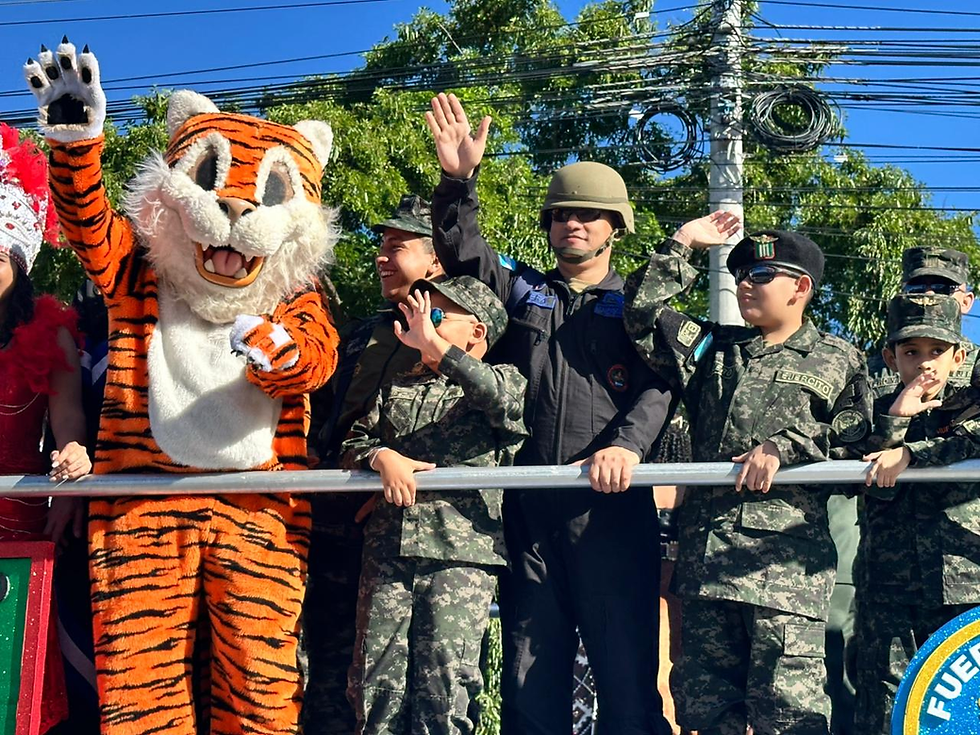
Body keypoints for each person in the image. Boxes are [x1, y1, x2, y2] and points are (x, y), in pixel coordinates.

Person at [426, 92, 738, 734]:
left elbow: (663, 384)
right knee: (529, 689)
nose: (576, 225)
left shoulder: (640, 305)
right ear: (548, 225)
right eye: (563, 215)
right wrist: (458, 183)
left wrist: (627, 445)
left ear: (614, 228)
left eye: (591, 216)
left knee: (627, 688)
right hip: (529, 505)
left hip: (612, 510)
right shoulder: (522, 292)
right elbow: (466, 258)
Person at [623, 229, 873, 734]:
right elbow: (641, 314)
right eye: (738, 276)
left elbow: (856, 441)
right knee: (708, 714)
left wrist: (788, 445)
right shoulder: (715, 348)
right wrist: (681, 245)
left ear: (800, 287)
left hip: (783, 571)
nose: (744, 285)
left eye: (759, 275)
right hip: (707, 564)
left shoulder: (838, 356)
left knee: (791, 715)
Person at [342, 276, 527, 734]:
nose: (422, 322)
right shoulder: (399, 386)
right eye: (420, 313)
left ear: (477, 331)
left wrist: (440, 351)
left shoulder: (505, 381)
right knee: (374, 685)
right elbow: (353, 440)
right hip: (389, 552)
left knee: (444, 690)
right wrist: (379, 456)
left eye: (437, 316)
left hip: (458, 557)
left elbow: (502, 403)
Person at [303, 194, 445, 734]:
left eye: (398, 246)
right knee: (319, 659)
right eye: (381, 246)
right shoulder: (361, 330)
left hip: (397, 523)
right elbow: (329, 412)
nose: (383, 256)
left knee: (395, 680)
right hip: (330, 509)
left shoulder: (454, 332)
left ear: (434, 260)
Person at [853, 293, 980, 733]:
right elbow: (861, 469)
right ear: (891, 356)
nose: (925, 364)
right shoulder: (871, 409)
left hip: (965, 585)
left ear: (958, 356)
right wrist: (896, 422)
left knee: (962, 709)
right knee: (887, 706)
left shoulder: (973, 404)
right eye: (911, 352)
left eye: (937, 351)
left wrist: (912, 453)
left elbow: (971, 441)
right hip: (889, 586)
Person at [0, 122, 90, 734]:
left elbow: (68, 425)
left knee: (17, 684)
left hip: (18, 528)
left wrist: (75, 464)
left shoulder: (49, 331)